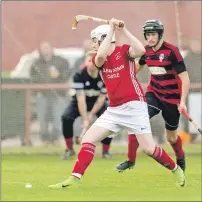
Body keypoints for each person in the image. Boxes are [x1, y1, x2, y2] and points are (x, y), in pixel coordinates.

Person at [49, 18, 185, 189]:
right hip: (114, 110)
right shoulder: (100, 59)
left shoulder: (125, 51)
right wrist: (112, 29)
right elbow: (100, 54)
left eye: (94, 41)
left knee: (149, 149)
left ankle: (175, 168)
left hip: (135, 106)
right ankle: (75, 178)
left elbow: (141, 49)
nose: (93, 46)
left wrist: (124, 30)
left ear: (103, 38)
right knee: (88, 140)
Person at [116, 20, 190, 173]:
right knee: (137, 119)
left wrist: (182, 102)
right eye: (148, 34)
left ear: (160, 34)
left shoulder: (172, 51)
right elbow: (138, 66)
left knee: (171, 138)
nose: (150, 38)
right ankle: (131, 160)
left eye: (153, 34)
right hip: (154, 93)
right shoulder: (146, 50)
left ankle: (180, 157)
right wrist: (123, 79)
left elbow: (185, 79)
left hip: (172, 99)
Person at [61, 50, 113, 159]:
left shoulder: (104, 75)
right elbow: (81, 99)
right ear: (85, 62)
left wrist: (91, 115)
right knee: (66, 117)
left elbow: (101, 98)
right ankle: (69, 149)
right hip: (80, 102)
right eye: (89, 60)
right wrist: (85, 119)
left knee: (110, 119)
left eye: (93, 60)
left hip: (97, 103)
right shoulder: (79, 76)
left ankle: (105, 151)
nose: (91, 63)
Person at [30, 41, 71, 145]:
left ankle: (55, 139)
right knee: (42, 119)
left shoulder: (61, 61)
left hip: (58, 95)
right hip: (42, 95)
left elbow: (67, 74)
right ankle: (45, 140)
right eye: (43, 48)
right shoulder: (36, 63)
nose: (45, 50)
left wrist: (59, 75)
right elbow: (32, 78)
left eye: (47, 47)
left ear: (51, 48)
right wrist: (41, 83)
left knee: (57, 117)